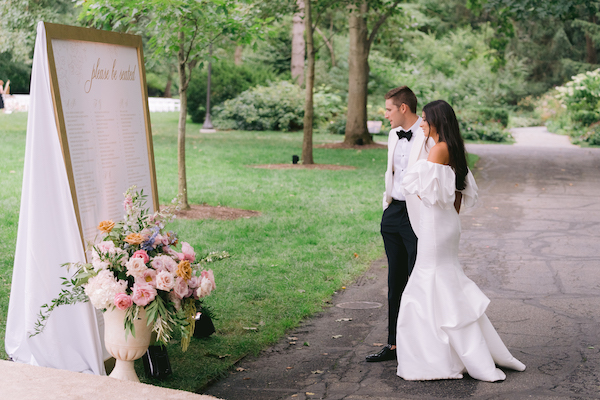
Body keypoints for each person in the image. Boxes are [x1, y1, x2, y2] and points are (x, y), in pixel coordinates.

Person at [395, 99, 526, 381]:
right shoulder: (452, 149)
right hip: (447, 224)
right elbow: (455, 196)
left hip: (434, 225)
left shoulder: (437, 151)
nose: (422, 124)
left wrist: (417, 188)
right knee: (446, 283)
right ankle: (477, 352)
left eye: (426, 120)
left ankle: (445, 358)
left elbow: (428, 194)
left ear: (437, 122)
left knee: (432, 286)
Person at [366, 86, 433, 362]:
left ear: (403, 108)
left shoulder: (429, 134)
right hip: (393, 213)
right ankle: (393, 344)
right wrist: (387, 205)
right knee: (395, 281)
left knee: (419, 279)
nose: (386, 115)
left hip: (417, 216)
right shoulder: (394, 135)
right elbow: (391, 171)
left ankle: (422, 345)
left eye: (389, 110)